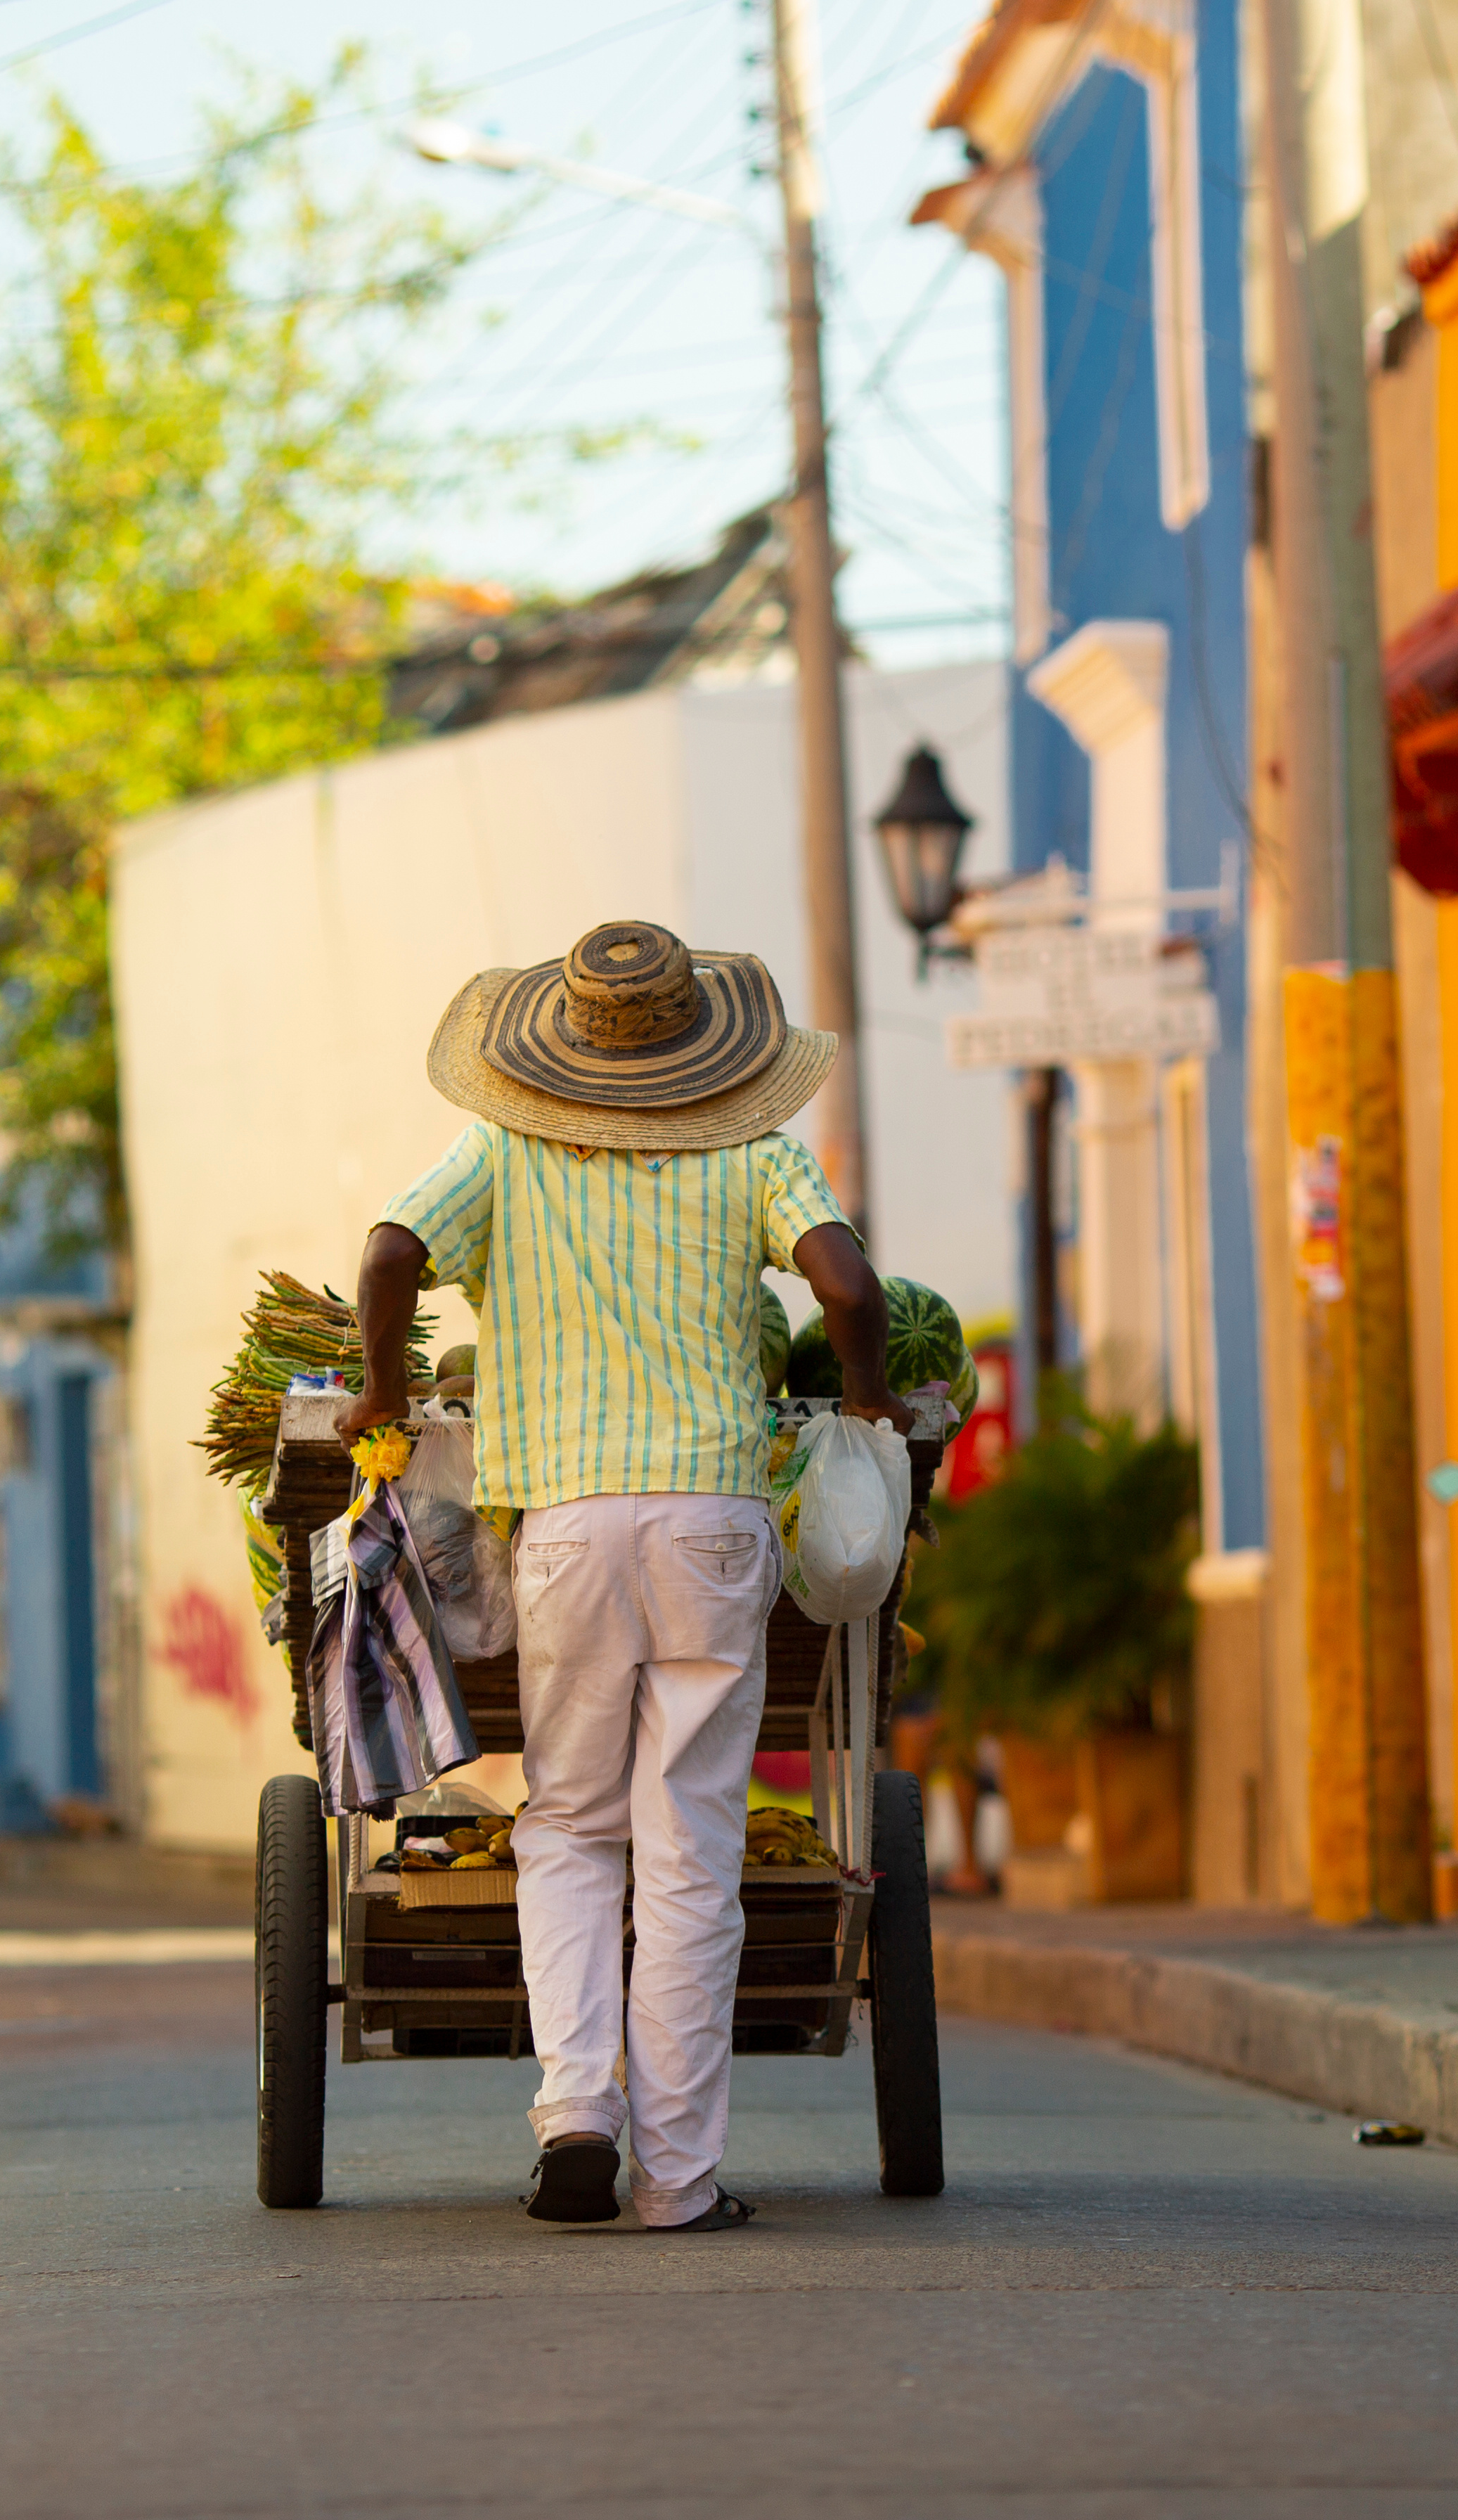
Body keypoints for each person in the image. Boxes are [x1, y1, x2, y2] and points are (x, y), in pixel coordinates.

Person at [340, 918, 892, 2234]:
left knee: (571, 1829)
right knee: (690, 1851)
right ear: (709, 1049)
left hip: (571, 1532)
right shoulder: (754, 1150)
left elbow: (385, 1256)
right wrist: (862, 1416)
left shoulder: (503, 1150)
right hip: (713, 1519)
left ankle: (577, 2110)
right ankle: (678, 2184)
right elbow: (853, 1292)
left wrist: (380, 1393)